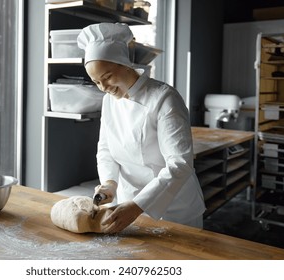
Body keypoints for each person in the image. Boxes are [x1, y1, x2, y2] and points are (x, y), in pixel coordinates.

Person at [77, 23, 205, 234]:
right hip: (127, 205)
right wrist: (109, 184)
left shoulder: (164, 98)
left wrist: (138, 205)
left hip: (174, 210)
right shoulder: (110, 100)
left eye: (107, 77)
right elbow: (106, 149)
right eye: (96, 82)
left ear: (124, 64)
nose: (104, 88)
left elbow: (180, 164)